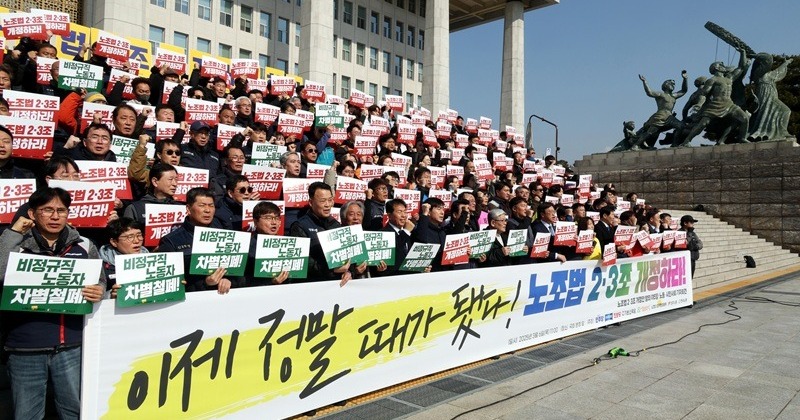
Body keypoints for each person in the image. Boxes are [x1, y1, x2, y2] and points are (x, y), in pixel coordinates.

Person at [0, 187, 105, 420]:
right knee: (27, 414)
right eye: (47, 210)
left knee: (75, 411)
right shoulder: (17, 244)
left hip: (72, 345)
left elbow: (100, 280)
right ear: (32, 213)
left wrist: (100, 290)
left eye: (61, 210)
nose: (55, 216)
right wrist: (12, 232)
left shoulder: (84, 245)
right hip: (25, 347)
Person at [157, 187, 233, 293]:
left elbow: (238, 273)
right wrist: (205, 283)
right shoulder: (171, 241)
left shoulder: (225, 236)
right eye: (202, 205)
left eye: (211, 205)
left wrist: (229, 280)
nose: (207, 210)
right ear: (188, 209)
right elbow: (168, 283)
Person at [677, 48, 751, 147]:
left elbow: (741, 67)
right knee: (702, 124)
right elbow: (704, 93)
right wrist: (699, 104)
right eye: (721, 65)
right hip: (715, 106)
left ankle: (742, 138)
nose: (724, 66)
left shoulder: (729, 78)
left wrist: (742, 53)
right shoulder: (712, 80)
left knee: (744, 118)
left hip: (729, 104)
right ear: (716, 68)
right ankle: (686, 141)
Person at [289, 182, 352, 283]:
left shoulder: (335, 224)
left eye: (330, 200)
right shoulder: (300, 226)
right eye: (322, 201)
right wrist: (330, 270)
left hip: (337, 285)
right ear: (311, 202)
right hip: (312, 285)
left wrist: (348, 271)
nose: (327, 205)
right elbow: (301, 262)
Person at [631, 71, 688, 150]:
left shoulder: (674, 96)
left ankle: (674, 144)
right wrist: (645, 82)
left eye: (673, 84)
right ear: (665, 85)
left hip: (669, 116)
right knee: (651, 132)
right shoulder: (661, 94)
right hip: (661, 116)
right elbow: (650, 92)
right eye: (670, 84)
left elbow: (684, 90)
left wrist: (685, 79)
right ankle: (636, 145)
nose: (673, 85)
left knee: (680, 126)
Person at [748, 54, 793, 142]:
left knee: (765, 114)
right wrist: (786, 63)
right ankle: (782, 132)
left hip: (764, 96)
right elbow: (778, 72)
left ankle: (773, 132)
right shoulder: (767, 75)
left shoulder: (759, 76)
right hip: (768, 97)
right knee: (785, 110)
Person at [99, 217, 148, 296]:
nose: (136, 241)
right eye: (130, 237)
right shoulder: (101, 266)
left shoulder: (152, 260)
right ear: (114, 242)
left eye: (139, 235)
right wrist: (110, 295)